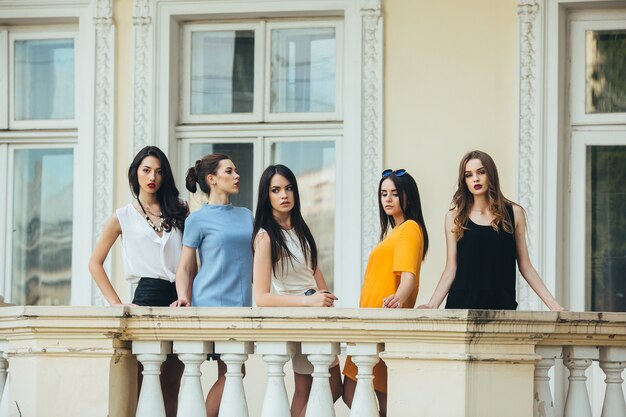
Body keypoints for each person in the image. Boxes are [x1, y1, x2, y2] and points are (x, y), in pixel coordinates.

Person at [88, 145, 188, 417]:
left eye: (158, 171)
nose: (152, 176)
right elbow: (94, 263)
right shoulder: (122, 217)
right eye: (146, 170)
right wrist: (116, 304)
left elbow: (190, 262)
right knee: (142, 385)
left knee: (171, 387)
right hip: (145, 298)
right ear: (136, 174)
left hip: (178, 301)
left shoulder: (180, 210)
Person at [418, 150, 565, 311]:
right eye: (468, 175)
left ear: (491, 174)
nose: (475, 178)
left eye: (481, 172)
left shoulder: (514, 213)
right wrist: (432, 304)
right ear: (464, 180)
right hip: (461, 307)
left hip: (501, 308)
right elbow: (451, 267)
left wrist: (554, 306)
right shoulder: (454, 218)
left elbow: (525, 265)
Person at [252, 164, 342, 417]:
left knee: (329, 388)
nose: (284, 195)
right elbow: (261, 297)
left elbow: (315, 270)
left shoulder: (301, 228)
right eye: (276, 189)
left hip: (319, 314)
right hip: (302, 314)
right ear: (266, 195)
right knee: (315, 389)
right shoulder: (265, 237)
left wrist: (325, 301)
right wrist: (308, 302)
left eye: (289, 188)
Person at [171, 153, 253, 417]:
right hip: (211, 303)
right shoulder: (197, 219)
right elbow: (185, 266)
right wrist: (183, 297)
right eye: (229, 171)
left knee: (234, 371)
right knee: (234, 371)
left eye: (236, 170)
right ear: (212, 179)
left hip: (241, 304)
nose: (236, 175)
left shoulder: (247, 216)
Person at [342, 168, 429, 417]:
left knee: (376, 396)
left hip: (381, 322)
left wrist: (399, 299)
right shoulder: (395, 231)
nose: (388, 199)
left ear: (407, 197)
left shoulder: (410, 228)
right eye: (383, 194)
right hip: (368, 323)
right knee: (354, 392)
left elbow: (409, 276)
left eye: (394, 194)